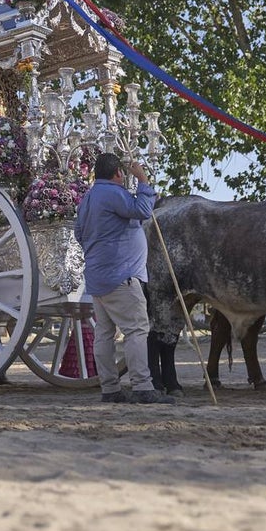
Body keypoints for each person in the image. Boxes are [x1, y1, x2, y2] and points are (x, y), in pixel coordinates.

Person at [73, 153, 173, 405]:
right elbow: (142, 210)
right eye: (124, 173)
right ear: (118, 172)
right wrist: (142, 180)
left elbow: (78, 233)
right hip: (121, 276)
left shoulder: (88, 198)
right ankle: (142, 387)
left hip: (99, 277)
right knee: (136, 330)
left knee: (104, 335)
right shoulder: (112, 193)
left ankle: (110, 388)